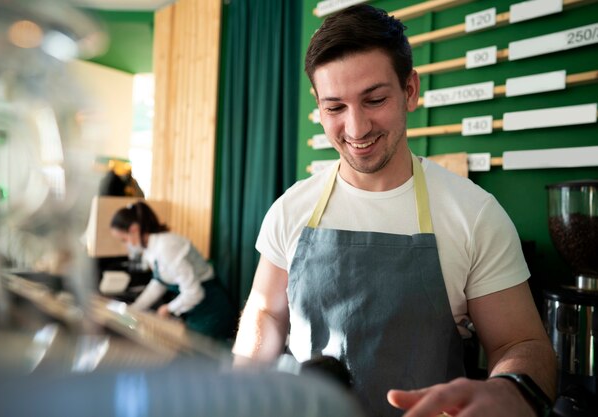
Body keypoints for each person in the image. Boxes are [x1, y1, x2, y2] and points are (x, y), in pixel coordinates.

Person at [232, 5, 556, 417]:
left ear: (410, 89)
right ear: (318, 104)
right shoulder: (290, 208)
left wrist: (513, 390)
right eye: (335, 108)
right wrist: (243, 379)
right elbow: (266, 311)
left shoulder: (473, 214)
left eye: (375, 99)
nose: (356, 128)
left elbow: (520, 344)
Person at [110, 201, 236, 340]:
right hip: (195, 312)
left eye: (124, 239)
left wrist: (168, 308)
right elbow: (159, 283)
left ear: (134, 229)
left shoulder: (166, 247)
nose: (126, 245)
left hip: (212, 311)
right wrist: (134, 309)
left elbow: (194, 293)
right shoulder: (151, 250)